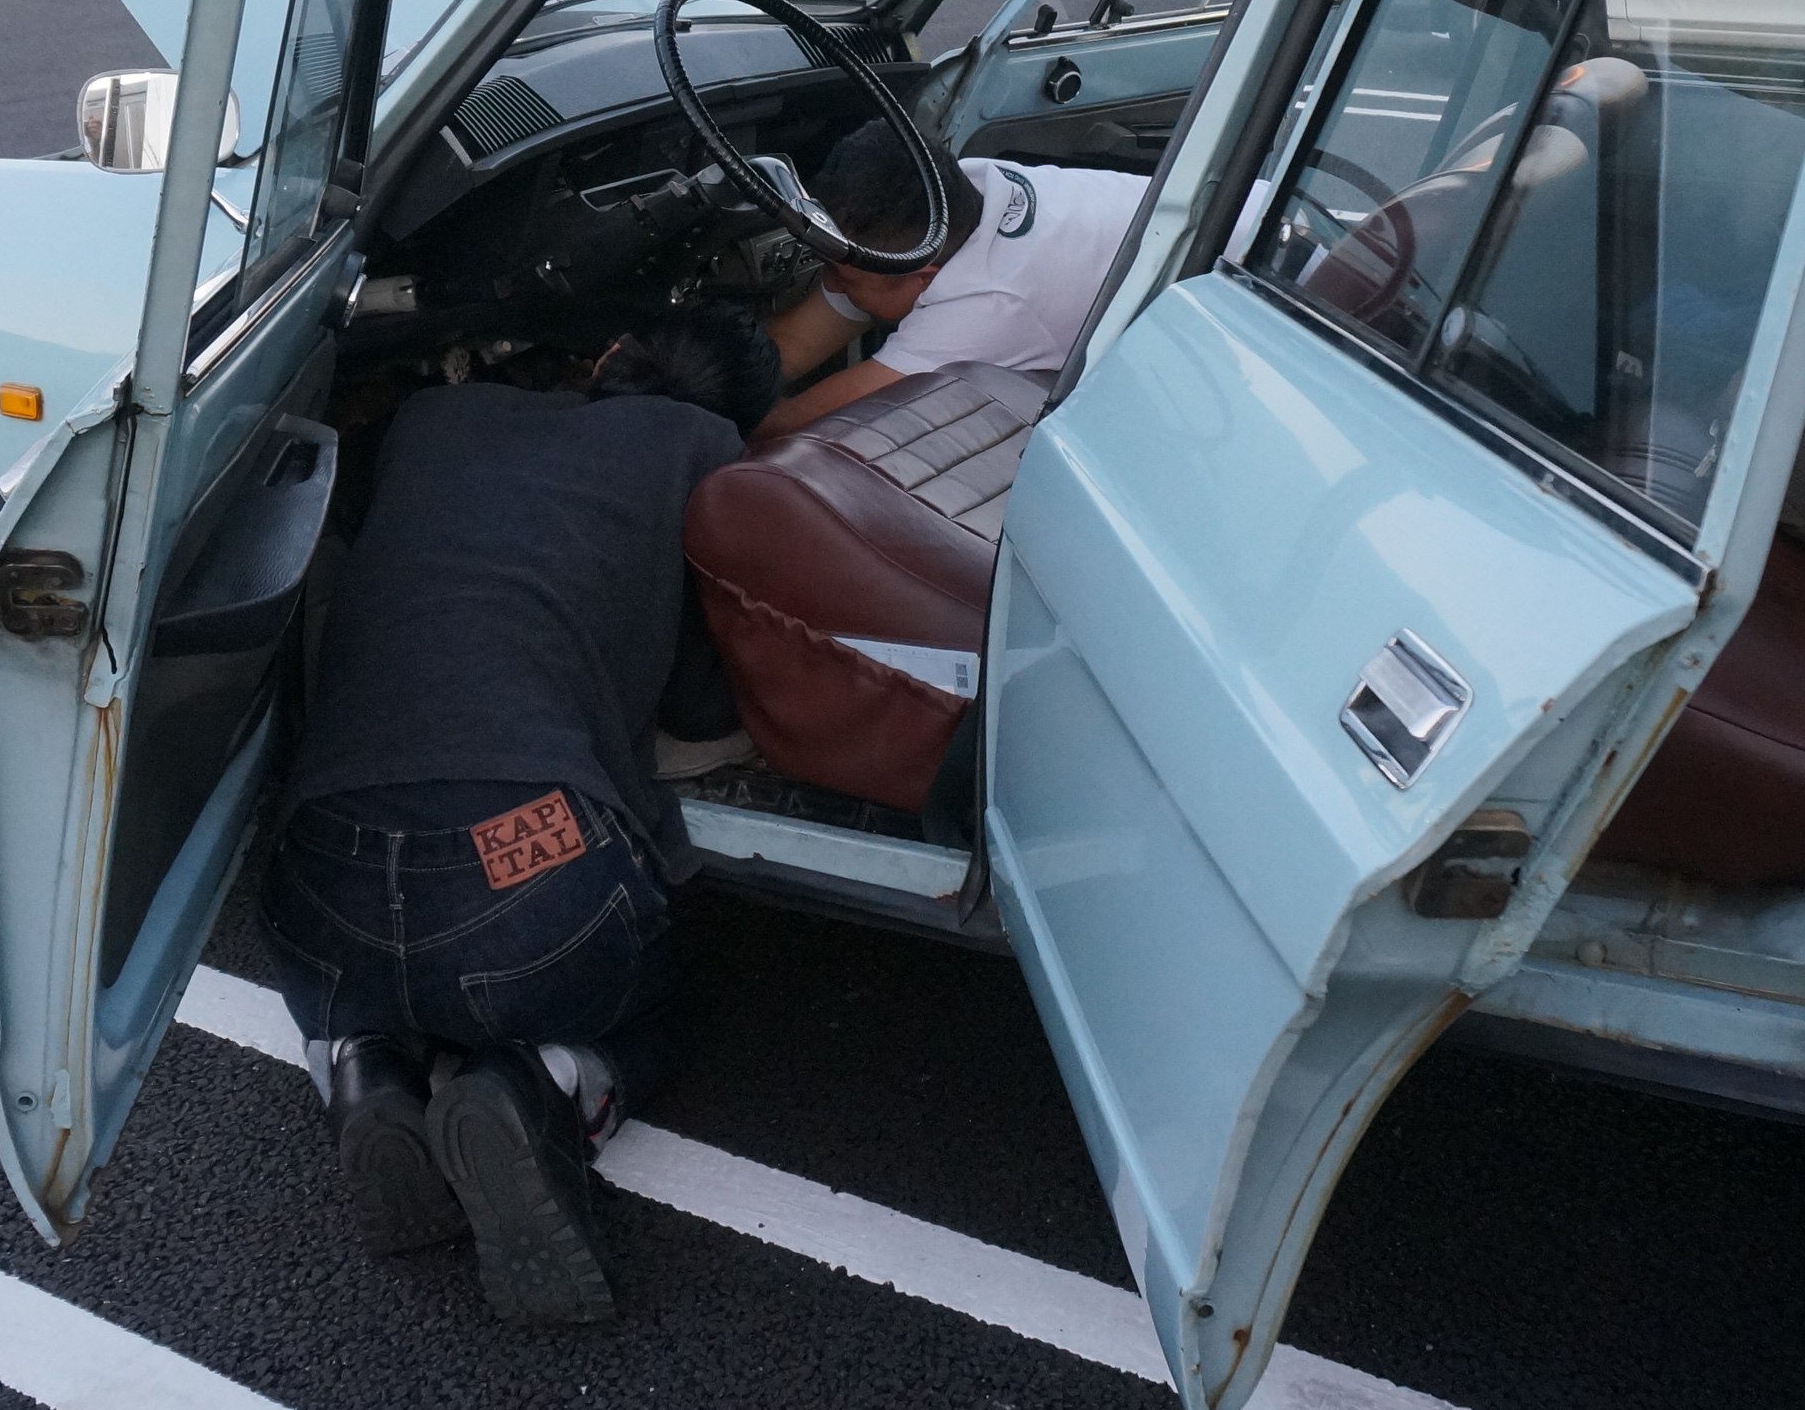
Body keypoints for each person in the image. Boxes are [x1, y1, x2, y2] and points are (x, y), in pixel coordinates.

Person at [263, 303, 781, 1324]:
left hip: (314, 879)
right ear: (739, 421)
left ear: (607, 354)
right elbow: (698, 706)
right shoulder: (703, 455)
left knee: (372, 976)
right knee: (666, 992)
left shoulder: (437, 417)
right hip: (524, 873)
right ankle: (538, 1086)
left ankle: (367, 1073)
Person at [757, 123, 1152, 436]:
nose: (832, 285)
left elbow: (792, 427)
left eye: (841, 276)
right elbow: (789, 349)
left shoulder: (986, 307)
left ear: (921, 278)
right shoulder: (961, 189)